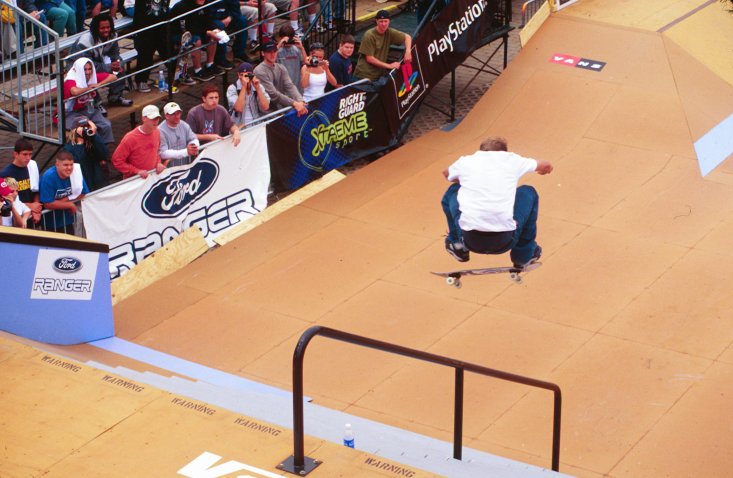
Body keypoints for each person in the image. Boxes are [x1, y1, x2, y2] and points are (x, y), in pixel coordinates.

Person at [441, 136, 553, 267]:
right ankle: (523, 255)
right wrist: (545, 171)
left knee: (453, 191)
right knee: (528, 192)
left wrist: (465, 180)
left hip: (468, 239)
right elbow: (546, 165)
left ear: (481, 151)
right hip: (506, 240)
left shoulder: (466, 161)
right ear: (504, 151)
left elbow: (446, 174)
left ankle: (457, 245)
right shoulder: (513, 160)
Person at [71, 13, 133, 107]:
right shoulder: (85, 41)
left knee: (119, 69)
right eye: (102, 28)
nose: (106, 30)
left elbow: (115, 53)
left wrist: (117, 63)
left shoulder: (112, 35)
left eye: (108, 27)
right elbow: (87, 66)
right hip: (78, 66)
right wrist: (109, 67)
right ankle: (97, 104)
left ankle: (115, 98)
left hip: (98, 60)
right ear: (96, 29)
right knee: (87, 74)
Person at [63, 57, 116, 145]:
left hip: (86, 110)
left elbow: (113, 77)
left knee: (106, 125)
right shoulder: (71, 80)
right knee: (87, 130)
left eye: (90, 69)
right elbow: (74, 91)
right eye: (85, 69)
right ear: (78, 69)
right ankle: (91, 151)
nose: (88, 72)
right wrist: (89, 88)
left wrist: (99, 84)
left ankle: (104, 149)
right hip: (68, 114)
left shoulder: (92, 77)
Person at [354, 10, 412, 82]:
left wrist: (408, 51)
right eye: (381, 21)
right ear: (376, 21)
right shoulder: (369, 35)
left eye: (385, 21)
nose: (383, 24)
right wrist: (389, 66)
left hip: (378, 76)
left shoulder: (389, 32)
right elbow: (369, 58)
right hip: (364, 76)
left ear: (389, 21)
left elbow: (407, 37)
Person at [111, 104, 167, 179]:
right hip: (135, 180)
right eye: (153, 118)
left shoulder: (157, 132)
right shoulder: (130, 138)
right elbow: (117, 160)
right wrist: (137, 171)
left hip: (152, 176)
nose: (156, 121)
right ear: (144, 118)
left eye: (157, 118)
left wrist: (158, 163)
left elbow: (156, 151)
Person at [39, 150, 88, 234]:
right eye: (65, 165)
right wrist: (69, 205)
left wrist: (64, 201)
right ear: (57, 164)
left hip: (69, 220)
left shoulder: (76, 172)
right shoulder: (48, 177)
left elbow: (83, 192)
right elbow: (47, 203)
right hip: (51, 223)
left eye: (71, 164)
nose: (69, 168)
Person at [169, 0, 219, 81]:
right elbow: (187, 29)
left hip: (196, 31)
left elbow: (209, 21)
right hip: (178, 33)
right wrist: (207, 32)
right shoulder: (183, 6)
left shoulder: (206, 3)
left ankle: (210, 64)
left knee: (214, 36)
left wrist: (214, 30)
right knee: (196, 40)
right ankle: (197, 70)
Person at [253, 41, 307, 116]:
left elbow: (290, 86)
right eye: (269, 52)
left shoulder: (281, 67)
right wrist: (294, 103)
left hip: (282, 110)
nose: (272, 54)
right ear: (263, 53)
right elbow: (273, 94)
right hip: (268, 113)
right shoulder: (259, 70)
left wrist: (300, 101)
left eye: (274, 51)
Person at [0, 139, 42, 227]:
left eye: (30, 154)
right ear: (15, 154)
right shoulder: (5, 174)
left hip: (29, 215)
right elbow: (5, 200)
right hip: (14, 219)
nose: (28, 158)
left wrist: (36, 209)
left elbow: (36, 190)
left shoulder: (32, 167)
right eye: (25, 154)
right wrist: (30, 206)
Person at [132, 0, 170, 93]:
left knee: (168, 51)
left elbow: (166, 7)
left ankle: (176, 74)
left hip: (162, 26)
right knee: (145, 55)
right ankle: (141, 80)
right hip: (146, 28)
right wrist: (139, 32)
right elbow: (138, 14)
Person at [63, 116, 109, 191]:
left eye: (87, 126)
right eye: (82, 127)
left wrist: (94, 135)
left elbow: (104, 155)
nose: (86, 129)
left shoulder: (93, 140)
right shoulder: (68, 148)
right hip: (84, 184)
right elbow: (79, 161)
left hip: (99, 182)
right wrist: (80, 143)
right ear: (75, 130)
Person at [226, 62, 270, 127]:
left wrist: (258, 89)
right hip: (239, 127)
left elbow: (266, 107)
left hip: (256, 124)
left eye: (248, 75)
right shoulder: (232, 88)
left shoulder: (258, 86)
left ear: (252, 75)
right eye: (242, 75)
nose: (246, 78)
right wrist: (244, 87)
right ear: (238, 75)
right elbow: (238, 108)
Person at [159, 102, 200, 168]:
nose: (177, 116)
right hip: (169, 170)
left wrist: (193, 146)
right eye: (173, 114)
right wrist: (186, 152)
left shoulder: (184, 125)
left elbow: (193, 138)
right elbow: (163, 153)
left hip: (186, 167)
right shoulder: (160, 131)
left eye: (178, 113)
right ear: (166, 116)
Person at [276, 24, 306, 92]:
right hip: (283, 88)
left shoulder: (297, 49)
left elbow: (306, 63)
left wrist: (302, 48)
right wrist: (279, 44)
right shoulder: (277, 51)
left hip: (297, 87)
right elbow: (269, 61)